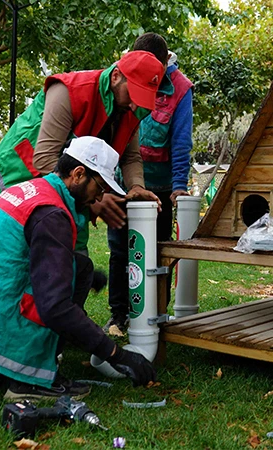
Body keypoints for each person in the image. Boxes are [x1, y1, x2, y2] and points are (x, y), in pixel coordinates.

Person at [0, 137, 157, 402]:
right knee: (56, 294)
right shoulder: (52, 214)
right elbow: (55, 307)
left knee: (81, 267)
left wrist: (83, 277)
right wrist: (117, 355)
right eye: (99, 187)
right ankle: (26, 382)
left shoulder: (36, 189)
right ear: (78, 174)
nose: (100, 197)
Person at [0, 50, 165, 253]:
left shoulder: (132, 108)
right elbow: (44, 158)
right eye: (133, 94)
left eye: (142, 98)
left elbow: (130, 156)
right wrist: (94, 200)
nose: (135, 105)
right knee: (27, 245)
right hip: (20, 169)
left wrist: (136, 187)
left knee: (73, 243)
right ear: (115, 76)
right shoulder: (70, 91)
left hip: (74, 182)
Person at [104, 33, 194, 333]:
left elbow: (181, 141)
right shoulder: (122, 75)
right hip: (122, 178)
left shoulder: (180, 88)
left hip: (160, 186)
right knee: (119, 249)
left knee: (156, 251)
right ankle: (118, 315)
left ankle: (155, 312)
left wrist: (179, 185)